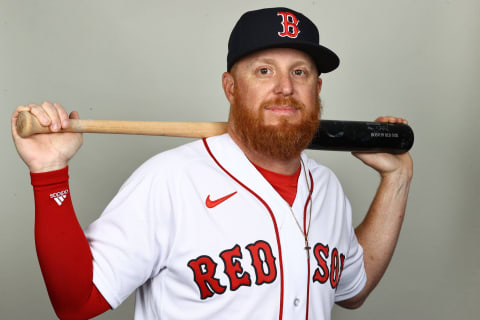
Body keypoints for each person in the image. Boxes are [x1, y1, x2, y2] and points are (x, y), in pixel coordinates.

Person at [11, 7, 413, 320]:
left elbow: (352, 290)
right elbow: (76, 302)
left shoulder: (326, 189)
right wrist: (49, 175)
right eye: (264, 70)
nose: (285, 87)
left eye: (300, 72)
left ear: (317, 88)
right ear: (230, 87)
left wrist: (396, 177)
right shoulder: (170, 180)